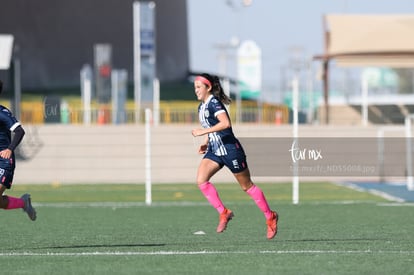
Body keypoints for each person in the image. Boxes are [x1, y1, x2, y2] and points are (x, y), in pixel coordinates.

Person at [191, 73, 278, 239]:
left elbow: (225, 124)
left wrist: (203, 131)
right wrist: (206, 141)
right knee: (201, 180)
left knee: (247, 187)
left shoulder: (214, 103)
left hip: (231, 150)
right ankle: (224, 212)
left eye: (198, 87)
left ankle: (270, 216)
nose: (196, 91)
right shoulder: (201, 107)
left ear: (208, 87)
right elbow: (213, 125)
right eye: (194, 87)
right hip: (215, 150)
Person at [0, 80, 36, 221]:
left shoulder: (2, 113)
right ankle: (23, 203)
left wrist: (9, 149)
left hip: (4, 162)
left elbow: (20, 131)